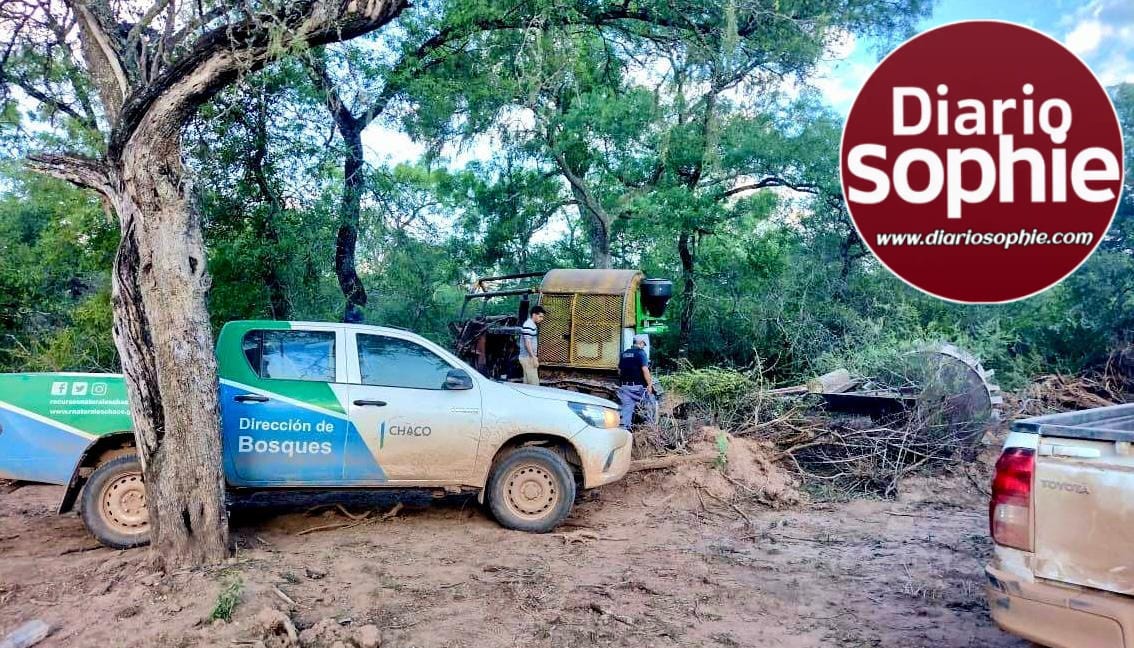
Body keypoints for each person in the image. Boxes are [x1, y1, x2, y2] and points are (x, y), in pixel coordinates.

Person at [616, 334, 656, 428]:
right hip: (638, 388)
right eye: (643, 344)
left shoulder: (624, 353)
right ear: (640, 343)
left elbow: (619, 371)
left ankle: (624, 432)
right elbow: (645, 370)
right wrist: (650, 385)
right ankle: (651, 428)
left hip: (625, 388)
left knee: (626, 412)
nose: (644, 346)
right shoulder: (641, 353)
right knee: (651, 404)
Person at [518, 305, 546, 385]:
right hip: (528, 358)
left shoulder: (531, 325)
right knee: (534, 383)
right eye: (540, 316)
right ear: (534, 315)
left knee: (527, 383)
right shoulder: (528, 325)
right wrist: (533, 357)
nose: (542, 319)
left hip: (528, 357)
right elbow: (527, 343)